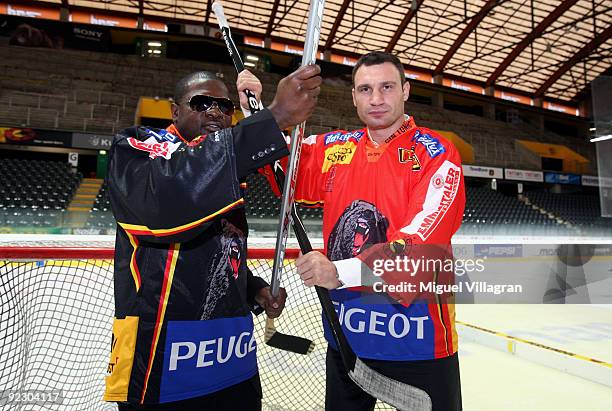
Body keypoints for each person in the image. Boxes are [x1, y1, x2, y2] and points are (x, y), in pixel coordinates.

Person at [104, 65, 322, 410]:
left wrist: (253, 289)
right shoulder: (139, 147)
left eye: (224, 106)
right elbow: (165, 204)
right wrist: (274, 116)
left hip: (230, 352)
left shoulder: (227, 167)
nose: (216, 111)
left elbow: (221, 250)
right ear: (175, 111)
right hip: (162, 353)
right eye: (202, 103)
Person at [294, 52, 465, 410]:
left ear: (405, 90)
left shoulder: (436, 153)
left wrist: (337, 270)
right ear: (354, 97)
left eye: (386, 87)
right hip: (347, 339)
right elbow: (279, 164)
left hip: (418, 340)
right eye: (365, 89)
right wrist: (262, 112)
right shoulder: (335, 148)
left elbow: (420, 246)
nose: (375, 99)